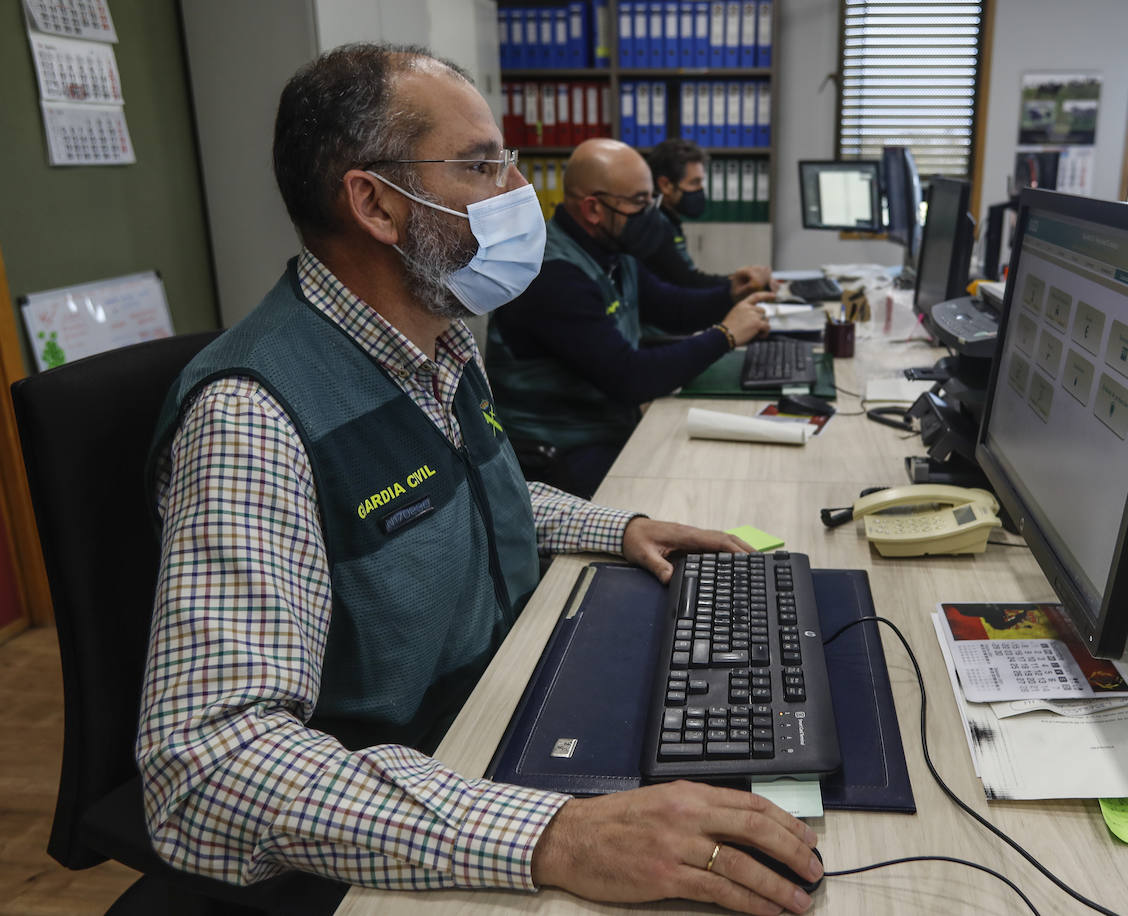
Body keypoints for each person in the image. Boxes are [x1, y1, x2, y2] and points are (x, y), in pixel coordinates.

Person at [137, 43, 821, 916]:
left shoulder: (438, 342)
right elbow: (207, 767)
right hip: (405, 801)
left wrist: (616, 528)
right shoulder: (250, 417)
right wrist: (557, 836)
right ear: (376, 203)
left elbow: (462, 494)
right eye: (479, 164)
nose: (518, 192)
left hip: (502, 699)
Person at [486, 138, 774, 498]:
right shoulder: (553, 275)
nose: (651, 213)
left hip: (604, 428)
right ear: (594, 209)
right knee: (692, 492)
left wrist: (731, 292)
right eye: (640, 202)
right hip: (555, 455)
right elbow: (630, 377)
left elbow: (670, 307)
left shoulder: (612, 251)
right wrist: (726, 335)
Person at [643, 138, 773, 297]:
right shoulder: (655, 225)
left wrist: (738, 281)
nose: (701, 190)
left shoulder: (668, 220)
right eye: (694, 182)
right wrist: (740, 284)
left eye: (701, 182)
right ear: (665, 185)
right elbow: (687, 282)